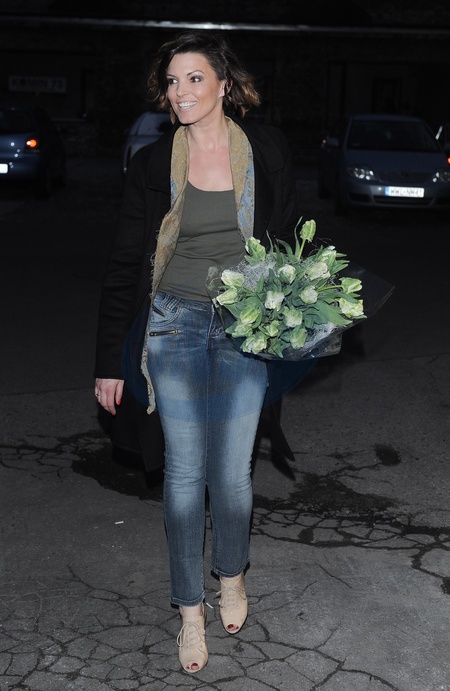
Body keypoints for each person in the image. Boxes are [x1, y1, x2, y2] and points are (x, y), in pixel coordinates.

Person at [94, 30, 298, 674]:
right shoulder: (154, 163)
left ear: (224, 85)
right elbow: (125, 264)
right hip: (173, 325)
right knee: (185, 476)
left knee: (232, 476)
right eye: (172, 81)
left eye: (194, 79)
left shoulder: (265, 152)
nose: (180, 92)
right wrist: (108, 361)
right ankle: (189, 610)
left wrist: (298, 305)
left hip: (244, 324)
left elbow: (291, 237)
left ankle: (231, 575)